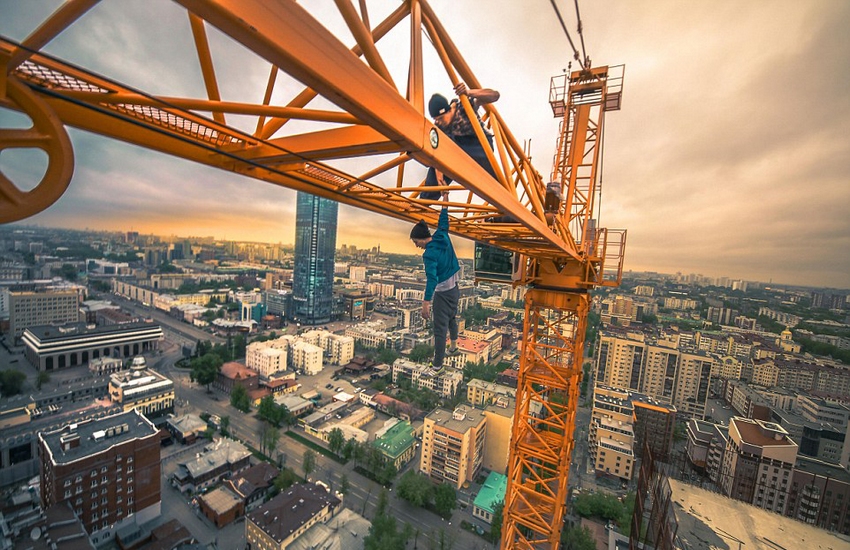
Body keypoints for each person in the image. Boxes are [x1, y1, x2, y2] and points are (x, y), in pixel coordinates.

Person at [420, 82, 501, 200]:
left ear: (448, 111)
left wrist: (468, 92)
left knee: (496, 186)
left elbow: (495, 95)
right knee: (437, 160)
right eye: (436, 120)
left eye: (441, 118)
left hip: (479, 146)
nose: (439, 122)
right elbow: (436, 150)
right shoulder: (439, 127)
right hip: (457, 150)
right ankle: (424, 201)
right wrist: (439, 177)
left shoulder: (464, 106)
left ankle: (504, 201)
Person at [409, 191, 461, 371]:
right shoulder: (442, 235)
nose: (417, 245)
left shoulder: (429, 254)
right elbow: (444, 216)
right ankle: (453, 347)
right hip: (455, 289)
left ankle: (437, 365)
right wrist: (445, 198)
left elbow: (432, 279)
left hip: (442, 293)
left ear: (422, 238)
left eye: (416, 242)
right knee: (451, 318)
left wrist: (425, 303)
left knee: (439, 330)